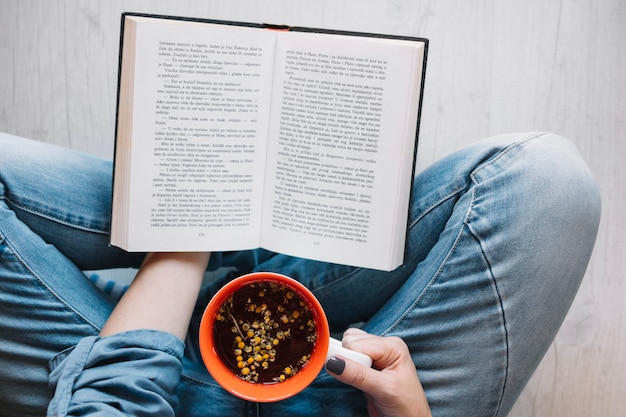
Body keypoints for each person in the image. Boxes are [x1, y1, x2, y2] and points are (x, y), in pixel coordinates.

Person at [0, 130, 600, 417]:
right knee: (543, 179)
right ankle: (240, 258)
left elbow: (112, 399)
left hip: (120, 381)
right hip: (349, 401)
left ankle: (217, 258)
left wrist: (189, 224)